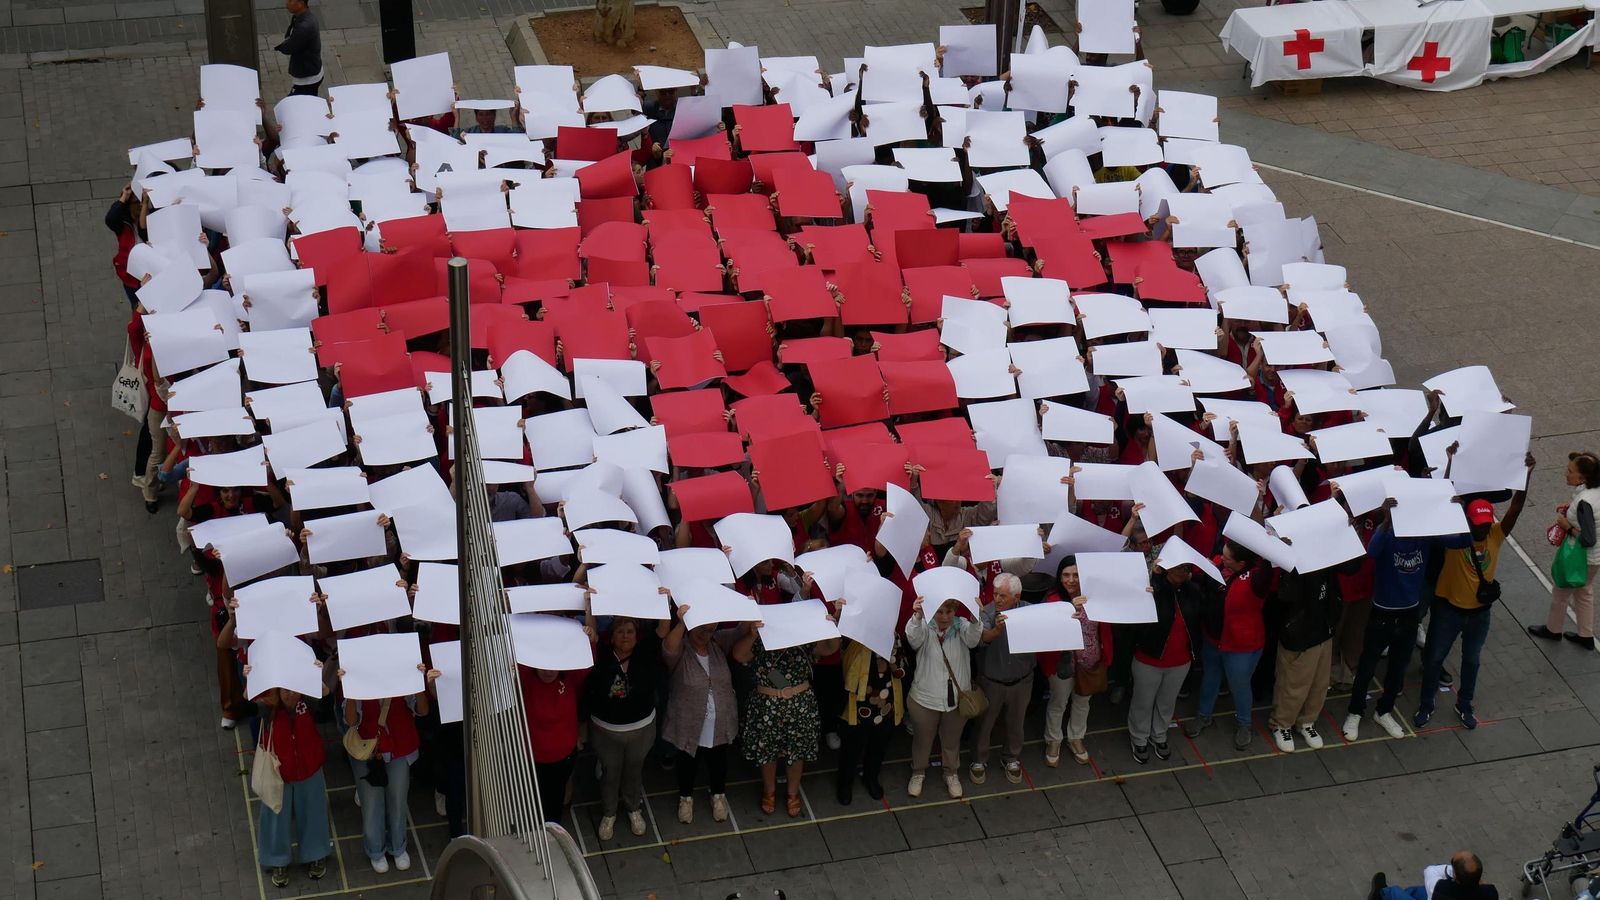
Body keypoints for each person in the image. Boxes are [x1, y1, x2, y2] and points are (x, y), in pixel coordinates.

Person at [1416, 451, 1534, 730]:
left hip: (1480, 614)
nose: (1483, 529)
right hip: (1448, 610)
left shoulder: (1496, 534)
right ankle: (1426, 703)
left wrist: (1527, 475)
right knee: (1433, 658)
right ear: (1468, 520)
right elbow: (1442, 505)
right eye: (1479, 524)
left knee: (1472, 661)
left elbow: (1516, 507)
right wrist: (1451, 464)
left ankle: (1465, 704)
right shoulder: (1455, 536)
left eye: (1486, 523)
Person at [1344, 498, 1446, 741]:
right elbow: (1371, 552)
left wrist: (1451, 506)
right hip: (1382, 612)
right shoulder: (1388, 536)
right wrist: (1387, 520)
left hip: (1409, 614)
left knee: (1398, 667)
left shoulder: (1424, 539)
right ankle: (1355, 712)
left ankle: (1384, 711)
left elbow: (1458, 539)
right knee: (1367, 666)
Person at [732, 622, 840, 817]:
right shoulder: (761, 642)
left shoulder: (804, 641)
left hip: (800, 706)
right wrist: (752, 634)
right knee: (768, 752)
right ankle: (769, 790)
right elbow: (739, 655)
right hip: (766, 705)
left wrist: (830, 626)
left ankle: (792, 793)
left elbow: (831, 647)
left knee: (796, 753)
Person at [1268, 552, 1361, 753]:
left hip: (1323, 625)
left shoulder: (1325, 550)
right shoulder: (1292, 551)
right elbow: (1284, 593)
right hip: (1299, 632)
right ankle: (1282, 724)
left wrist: (1350, 538)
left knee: (1319, 682)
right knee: (1293, 683)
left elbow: (1352, 566)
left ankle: (1307, 721)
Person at [584, 616, 664, 840]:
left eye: (630, 631)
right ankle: (609, 813)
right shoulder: (601, 654)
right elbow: (590, 632)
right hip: (606, 731)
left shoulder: (645, 651)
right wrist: (590, 606)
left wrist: (664, 601)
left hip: (641, 729)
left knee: (634, 771)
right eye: (620, 631)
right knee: (610, 773)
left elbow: (663, 630)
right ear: (612, 636)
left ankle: (633, 808)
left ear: (637, 635)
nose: (625, 636)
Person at [660, 604, 740, 825]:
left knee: (719, 762)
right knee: (687, 763)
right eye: (701, 629)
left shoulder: (717, 643)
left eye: (710, 629)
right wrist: (683, 621)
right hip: (689, 721)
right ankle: (686, 798)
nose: (706, 633)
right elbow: (668, 647)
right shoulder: (681, 650)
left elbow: (740, 631)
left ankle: (718, 795)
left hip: (720, 720)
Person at [1189, 541, 1272, 750]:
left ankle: (1245, 724)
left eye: (1227, 558)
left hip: (1240, 645)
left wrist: (1273, 547)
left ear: (1241, 563)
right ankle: (1203, 715)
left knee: (1239, 685)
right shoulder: (1218, 564)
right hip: (1213, 638)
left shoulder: (1256, 579)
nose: (1221, 559)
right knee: (1210, 678)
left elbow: (1268, 571)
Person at [344, 682, 429, 873]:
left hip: (399, 745)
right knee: (371, 803)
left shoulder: (400, 671)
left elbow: (422, 710)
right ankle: (376, 851)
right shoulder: (359, 672)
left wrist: (418, 680)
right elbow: (350, 720)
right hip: (368, 750)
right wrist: (350, 688)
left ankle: (398, 847)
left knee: (398, 800)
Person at [251, 684, 331, 888]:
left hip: (310, 768)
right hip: (278, 772)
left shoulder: (309, 703)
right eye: (284, 690)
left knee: (314, 813)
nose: (290, 694)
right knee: (275, 816)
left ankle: (316, 855)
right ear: (277, 691)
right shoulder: (267, 707)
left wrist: (315, 675)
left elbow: (326, 692)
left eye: (294, 689)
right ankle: (277, 860)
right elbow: (247, 696)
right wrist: (251, 677)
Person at [904, 595, 981, 798]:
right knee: (922, 739)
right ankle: (918, 772)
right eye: (939, 612)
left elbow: (974, 641)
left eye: (949, 611)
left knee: (951, 740)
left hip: (956, 699)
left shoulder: (964, 626)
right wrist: (917, 616)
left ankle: (951, 773)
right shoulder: (923, 627)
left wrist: (975, 618)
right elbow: (913, 640)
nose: (945, 617)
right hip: (924, 698)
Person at [1128, 561, 1198, 763]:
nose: (1182, 573)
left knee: (1167, 702)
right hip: (1149, 660)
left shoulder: (1192, 591)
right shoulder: (1152, 590)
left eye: (1186, 569)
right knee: (1143, 702)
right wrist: (1157, 581)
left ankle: (1159, 734)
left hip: (1180, 661)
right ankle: (1139, 737)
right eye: (1177, 568)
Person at [1531, 451, 1600, 649]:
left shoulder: (1584, 501)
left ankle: (1553, 630)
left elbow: (1587, 538)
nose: (1565, 473)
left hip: (1581, 558)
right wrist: (1572, 507)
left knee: (1560, 592)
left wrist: (1566, 525)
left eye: (1570, 471)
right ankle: (1586, 636)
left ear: (1583, 477)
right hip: (1595, 559)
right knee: (1584, 592)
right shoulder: (1593, 492)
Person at [971, 573, 1032, 785]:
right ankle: (979, 760)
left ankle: (1011, 758)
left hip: (1021, 680)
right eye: (996, 594)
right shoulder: (986, 613)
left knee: (1016, 723)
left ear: (1017, 596)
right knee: (984, 724)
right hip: (992, 681)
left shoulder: (1030, 611)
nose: (997, 599)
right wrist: (997, 630)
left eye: (1003, 596)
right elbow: (982, 637)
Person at [836, 636, 904, 804]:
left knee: (879, 745)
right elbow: (846, 667)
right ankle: (845, 784)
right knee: (852, 747)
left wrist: (892, 653)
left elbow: (901, 672)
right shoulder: (854, 637)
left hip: (886, 705)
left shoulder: (893, 637)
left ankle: (871, 777)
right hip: (859, 703)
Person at [519, 665, 586, 828]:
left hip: (565, 756)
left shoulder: (571, 677)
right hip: (534, 757)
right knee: (536, 798)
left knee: (556, 799)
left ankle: (553, 832)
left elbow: (587, 661)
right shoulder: (525, 678)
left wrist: (590, 640)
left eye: (552, 667)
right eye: (543, 667)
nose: (548, 672)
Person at [1369, 850, 1499, 899]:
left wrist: (1452, 870)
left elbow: (1430, 870)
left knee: (1395, 892)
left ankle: (1379, 894)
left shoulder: (1439, 889)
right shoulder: (1491, 892)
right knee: (1416, 892)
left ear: (1455, 876)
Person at [276, 0, 323, 97]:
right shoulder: (304, 16)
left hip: (307, 79)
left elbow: (289, 48)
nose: (287, 3)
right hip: (312, 70)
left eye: (290, 0)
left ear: (300, 3)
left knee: (293, 103)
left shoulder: (304, 27)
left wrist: (281, 47)